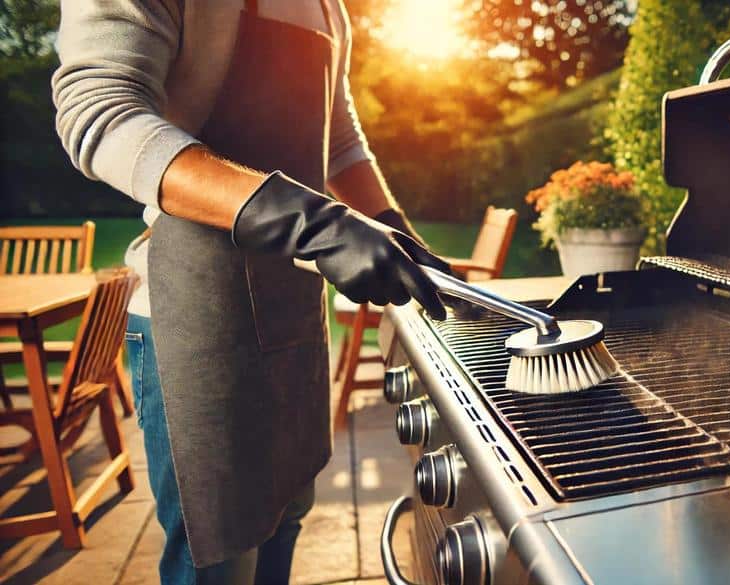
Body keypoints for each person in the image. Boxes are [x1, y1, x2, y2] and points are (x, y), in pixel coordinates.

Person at [52, 1, 448, 583]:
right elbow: (101, 111)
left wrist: (395, 227)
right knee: (219, 561)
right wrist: (312, 223)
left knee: (283, 524)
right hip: (198, 316)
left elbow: (337, 138)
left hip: (295, 310)